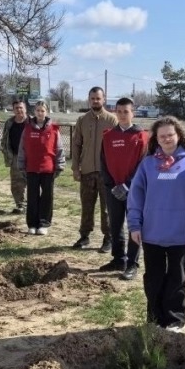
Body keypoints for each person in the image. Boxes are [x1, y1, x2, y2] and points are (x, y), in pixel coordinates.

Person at [127, 116, 185, 332]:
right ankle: (154, 319)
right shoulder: (148, 164)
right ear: (156, 140)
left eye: (170, 134)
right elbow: (136, 196)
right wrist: (135, 225)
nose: (167, 139)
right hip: (151, 233)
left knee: (177, 279)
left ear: (179, 135)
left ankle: (174, 320)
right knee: (153, 279)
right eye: (162, 136)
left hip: (180, 234)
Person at [99, 97, 148, 280]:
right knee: (115, 224)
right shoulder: (108, 135)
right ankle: (118, 258)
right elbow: (103, 162)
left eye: (125, 111)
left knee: (133, 225)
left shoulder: (142, 136)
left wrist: (127, 185)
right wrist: (111, 184)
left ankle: (132, 263)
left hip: (134, 190)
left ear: (132, 113)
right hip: (113, 189)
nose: (121, 115)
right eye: (118, 111)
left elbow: (143, 165)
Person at [71, 87, 117, 252]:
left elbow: (117, 148)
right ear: (88, 100)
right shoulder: (82, 120)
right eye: (92, 98)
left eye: (98, 98)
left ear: (104, 99)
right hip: (87, 171)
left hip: (107, 173)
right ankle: (84, 236)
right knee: (87, 205)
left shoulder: (112, 121)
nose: (95, 101)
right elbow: (76, 145)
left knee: (107, 208)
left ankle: (108, 238)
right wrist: (76, 168)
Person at [17, 101, 65, 235]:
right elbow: (22, 149)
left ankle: (44, 223)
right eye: (38, 110)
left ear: (47, 112)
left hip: (48, 169)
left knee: (47, 197)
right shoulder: (27, 129)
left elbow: (59, 148)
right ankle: (32, 224)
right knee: (32, 197)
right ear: (34, 112)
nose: (40, 113)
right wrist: (21, 165)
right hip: (31, 169)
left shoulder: (54, 129)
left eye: (42, 110)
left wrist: (59, 165)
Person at [0, 100, 29, 214]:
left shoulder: (31, 122)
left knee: (31, 182)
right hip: (15, 157)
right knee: (16, 182)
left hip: (30, 157)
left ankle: (31, 205)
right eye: (16, 108)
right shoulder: (9, 122)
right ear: (13, 109)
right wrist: (5, 151)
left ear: (25, 108)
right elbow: (4, 138)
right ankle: (20, 205)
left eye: (21, 107)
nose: (19, 110)